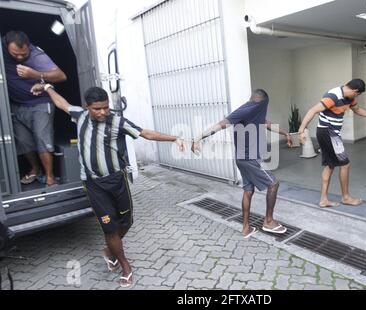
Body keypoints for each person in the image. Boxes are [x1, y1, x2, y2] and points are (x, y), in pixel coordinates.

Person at [31, 83, 185, 288]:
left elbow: (145, 133)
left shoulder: (117, 122)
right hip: (94, 184)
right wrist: (48, 87)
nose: (103, 112)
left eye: (105, 107)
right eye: (97, 109)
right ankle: (125, 266)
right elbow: (62, 104)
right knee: (109, 228)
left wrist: (175, 138)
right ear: (87, 107)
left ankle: (110, 250)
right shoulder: (80, 116)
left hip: (117, 180)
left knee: (127, 222)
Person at [192, 89, 292, 238]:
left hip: (242, 159)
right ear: (265, 102)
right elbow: (221, 125)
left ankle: (246, 228)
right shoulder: (245, 111)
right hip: (249, 159)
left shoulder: (255, 111)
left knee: (248, 191)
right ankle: (268, 221)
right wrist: (199, 138)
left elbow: (266, 123)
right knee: (273, 184)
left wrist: (286, 133)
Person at [298, 79, 366, 208]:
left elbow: (358, 110)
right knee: (345, 164)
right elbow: (312, 110)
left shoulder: (349, 98)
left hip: (330, 133)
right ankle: (346, 197)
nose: (356, 97)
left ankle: (324, 200)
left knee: (330, 165)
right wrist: (301, 130)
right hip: (329, 133)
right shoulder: (333, 96)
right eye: (357, 95)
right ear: (355, 91)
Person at [2, 31, 67, 186]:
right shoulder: (2, 49)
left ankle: (50, 177)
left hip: (40, 103)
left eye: (23, 54)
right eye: (15, 54)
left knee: (42, 139)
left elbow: (61, 76)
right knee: (23, 142)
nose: (19, 57)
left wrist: (36, 74)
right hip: (16, 104)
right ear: (6, 47)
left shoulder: (36, 56)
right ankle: (35, 169)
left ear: (29, 47)